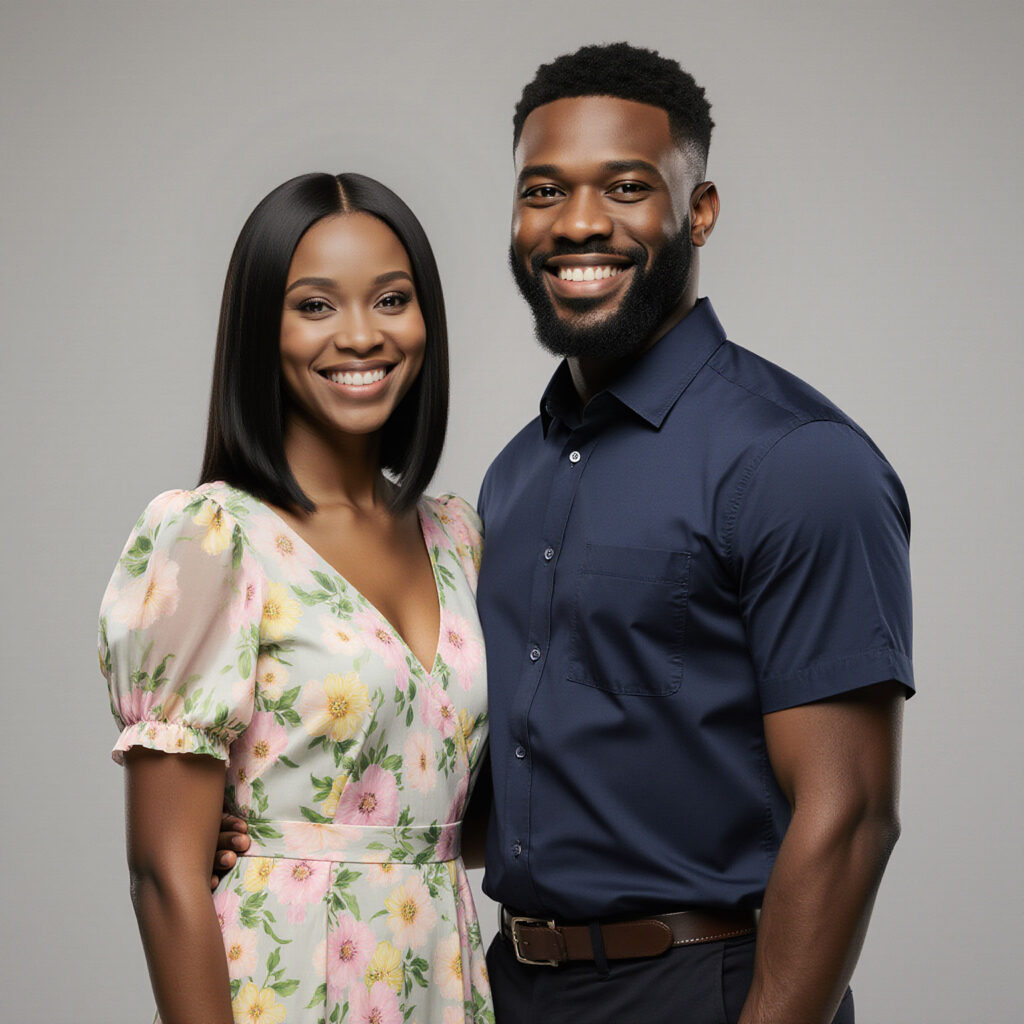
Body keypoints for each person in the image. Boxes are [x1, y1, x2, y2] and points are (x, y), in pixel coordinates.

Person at [216, 43, 913, 1024]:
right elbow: (523, 785)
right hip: (505, 986)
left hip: (697, 988)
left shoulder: (797, 461)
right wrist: (289, 827)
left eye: (625, 187)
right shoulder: (513, 477)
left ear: (698, 211)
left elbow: (847, 817)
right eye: (544, 189)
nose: (578, 222)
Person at [98, 172, 494, 1024]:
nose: (360, 335)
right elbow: (164, 875)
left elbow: (472, 806)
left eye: (391, 298)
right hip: (288, 982)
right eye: (315, 305)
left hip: (440, 979)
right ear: (259, 331)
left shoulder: (460, 539)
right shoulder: (213, 537)